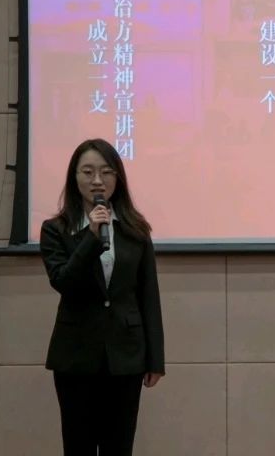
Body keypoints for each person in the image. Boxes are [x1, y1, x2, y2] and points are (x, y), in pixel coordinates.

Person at [40, 138, 165, 456]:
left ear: (117, 178)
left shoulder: (136, 229)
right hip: (75, 355)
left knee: (118, 446)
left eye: (106, 172)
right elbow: (63, 282)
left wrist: (155, 359)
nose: (97, 180)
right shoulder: (56, 229)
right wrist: (92, 238)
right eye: (88, 172)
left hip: (126, 355)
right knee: (78, 445)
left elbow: (148, 295)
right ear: (74, 177)